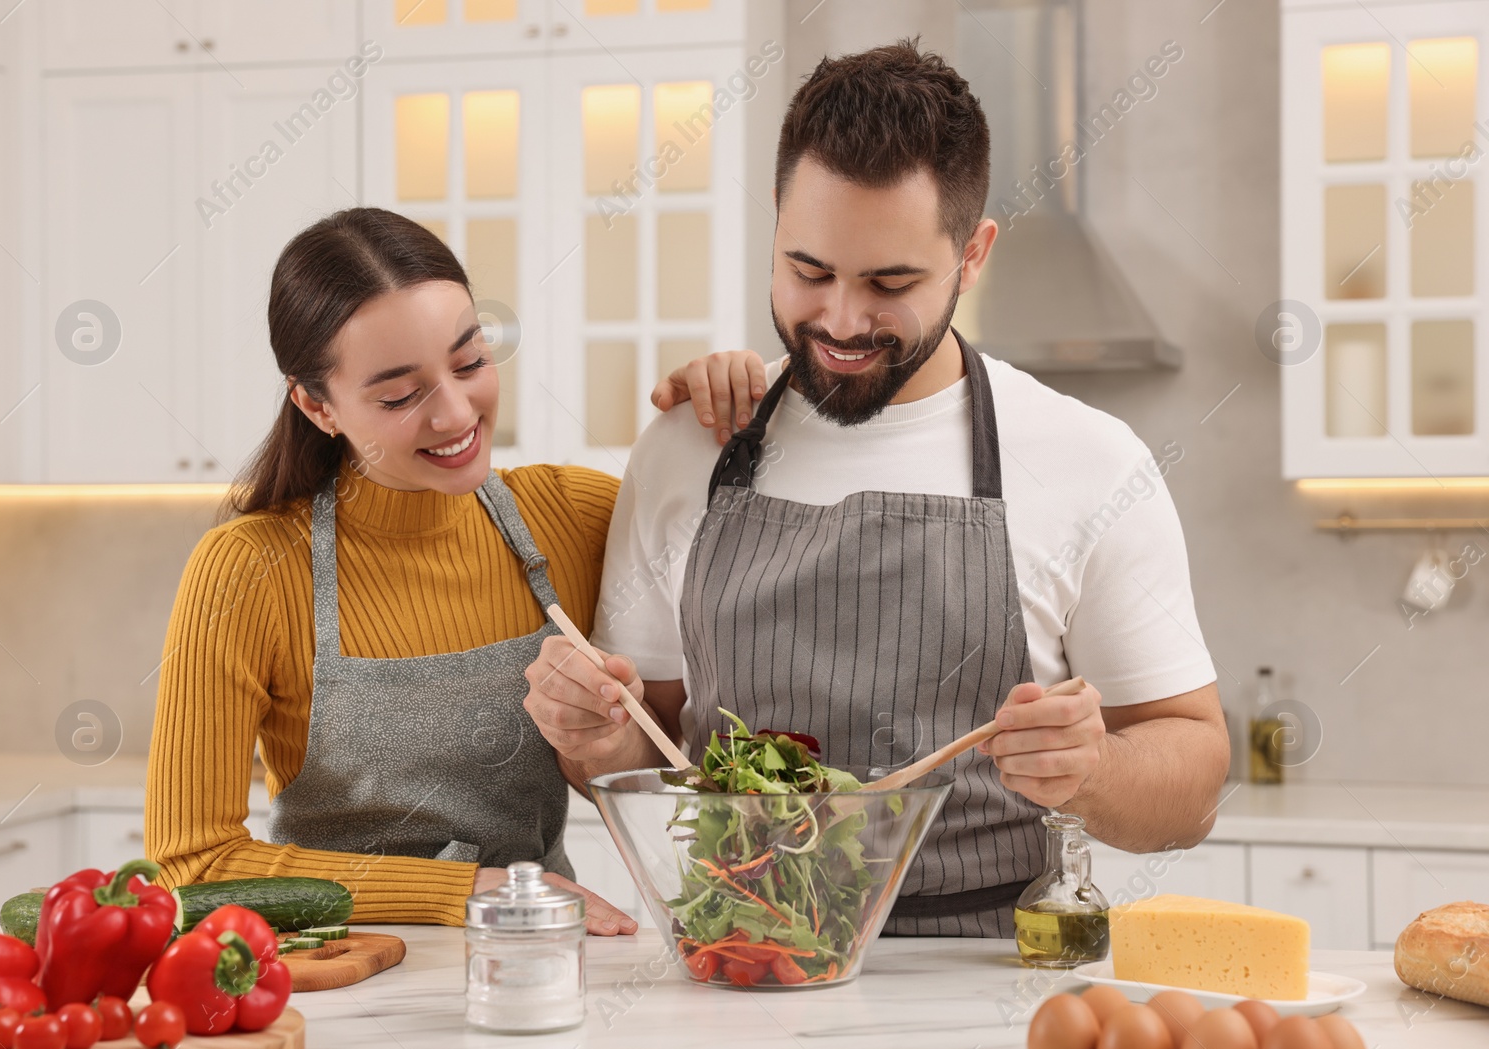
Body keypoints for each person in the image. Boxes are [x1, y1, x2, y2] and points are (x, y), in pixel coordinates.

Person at [523, 41, 1230, 937]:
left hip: (983, 987)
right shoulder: (684, 448)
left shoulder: (1091, 459)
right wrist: (595, 741)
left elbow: (1195, 783)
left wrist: (1091, 771)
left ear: (973, 256)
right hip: (739, 964)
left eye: (890, 283)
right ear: (776, 220)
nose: (842, 321)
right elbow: (641, 745)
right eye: (808, 271)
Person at [146, 207, 765, 934]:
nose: (455, 412)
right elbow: (194, 864)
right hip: (340, 979)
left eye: (470, 361)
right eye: (401, 395)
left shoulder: (578, 518)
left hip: (539, 959)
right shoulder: (248, 572)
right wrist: (467, 890)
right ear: (317, 404)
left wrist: (732, 418)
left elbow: (674, 776)